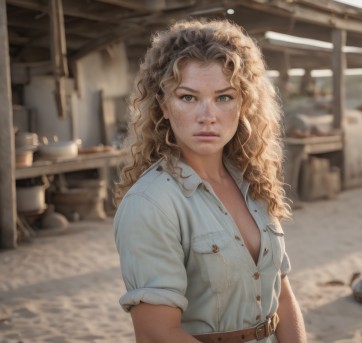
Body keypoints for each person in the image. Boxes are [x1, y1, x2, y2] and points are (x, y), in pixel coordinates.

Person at [113, 19, 307, 343]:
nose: (208, 115)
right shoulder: (151, 204)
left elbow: (282, 294)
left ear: (244, 104)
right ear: (163, 106)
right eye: (188, 97)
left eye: (224, 97)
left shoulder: (253, 183)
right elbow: (157, 333)